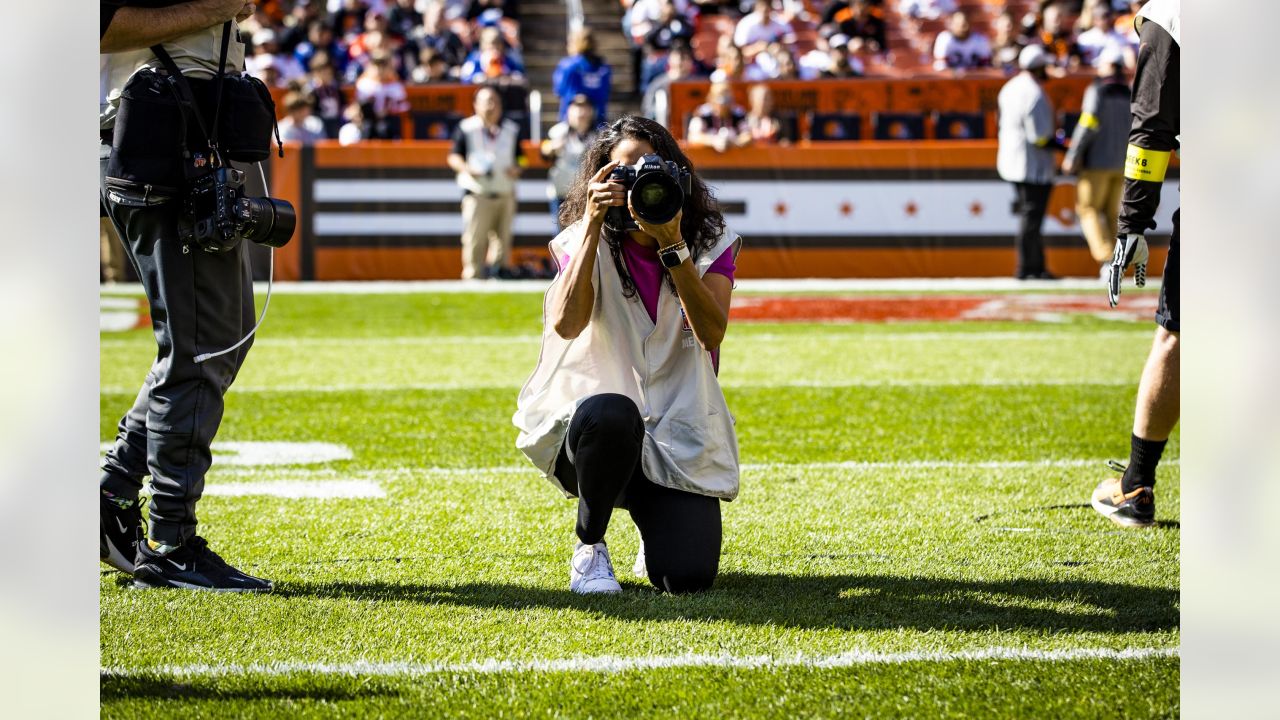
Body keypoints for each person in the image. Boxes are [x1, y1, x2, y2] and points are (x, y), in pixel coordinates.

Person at [512, 115, 742, 595]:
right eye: (625, 171)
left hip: (675, 429)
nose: (640, 181)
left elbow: (710, 333)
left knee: (686, 578)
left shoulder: (707, 243)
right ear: (602, 180)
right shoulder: (583, 237)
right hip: (597, 429)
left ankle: (651, 519)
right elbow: (567, 324)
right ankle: (590, 547)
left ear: (677, 173)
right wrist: (593, 224)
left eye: (651, 168)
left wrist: (670, 243)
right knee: (612, 412)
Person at [99, 0, 273, 591]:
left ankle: (111, 493)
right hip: (161, 137)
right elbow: (98, 26)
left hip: (192, 132)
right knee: (201, 347)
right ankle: (170, 541)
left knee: (218, 338)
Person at [1091, 0, 1179, 528]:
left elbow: (1151, 129)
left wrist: (1131, 224)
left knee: (1178, 336)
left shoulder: (1172, 16)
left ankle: (1136, 486)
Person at [997, 44, 1064, 280]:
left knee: (1031, 217)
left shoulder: (1010, 87)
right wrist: (1064, 146)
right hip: (1031, 164)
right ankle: (1027, 267)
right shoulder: (1034, 93)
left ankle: (1035, 265)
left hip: (1012, 160)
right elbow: (1040, 137)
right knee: (1032, 217)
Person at [1062, 51, 1130, 276]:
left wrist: (1072, 155)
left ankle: (1107, 259)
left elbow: (1087, 123)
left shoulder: (1097, 91)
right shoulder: (1130, 92)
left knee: (1088, 209)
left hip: (1097, 162)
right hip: (1122, 163)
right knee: (1113, 215)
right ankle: (1118, 262)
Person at [446, 86, 526, 279]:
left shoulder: (511, 129)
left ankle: (499, 273)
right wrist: (466, 169)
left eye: (494, 102)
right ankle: (473, 274)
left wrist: (518, 168)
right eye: (486, 101)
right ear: (475, 105)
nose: (491, 106)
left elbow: (522, 157)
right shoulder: (466, 128)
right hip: (477, 192)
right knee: (474, 238)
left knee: (503, 239)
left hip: (505, 191)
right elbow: (453, 156)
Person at [542, 95, 599, 235]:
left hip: (588, 197)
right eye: (576, 108)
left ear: (591, 111)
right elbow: (543, 154)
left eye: (584, 108)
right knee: (562, 238)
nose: (580, 113)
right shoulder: (556, 132)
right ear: (568, 111)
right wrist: (551, 148)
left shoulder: (599, 135)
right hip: (562, 195)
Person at [553, 28, 612, 125]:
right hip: (598, 120)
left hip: (570, 119)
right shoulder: (603, 67)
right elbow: (605, 92)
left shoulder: (567, 65)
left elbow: (559, 90)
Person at [687, 81, 751, 153]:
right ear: (711, 98)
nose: (723, 104)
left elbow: (747, 135)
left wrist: (734, 142)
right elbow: (693, 136)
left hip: (734, 160)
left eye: (727, 97)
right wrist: (713, 141)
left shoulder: (738, 113)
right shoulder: (702, 113)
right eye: (719, 97)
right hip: (707, 159)